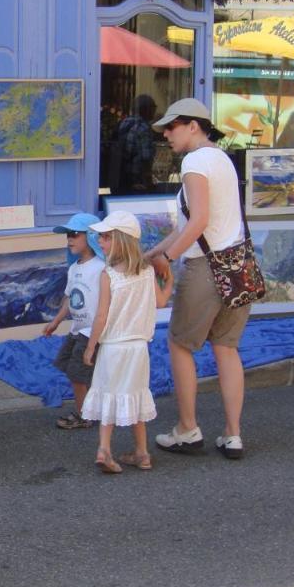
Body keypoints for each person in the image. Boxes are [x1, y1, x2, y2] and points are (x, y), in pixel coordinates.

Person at [144, 97, 251, 460]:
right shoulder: (222, 158)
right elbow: (195, 225)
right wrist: (153, 254)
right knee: (226, 348)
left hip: (205, 268)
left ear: (194, 125)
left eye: (172, 127)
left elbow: (199, 221)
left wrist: (167, 259)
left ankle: (187, 428)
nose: (166, 135)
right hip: (237, 265)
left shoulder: (194, 161)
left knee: (180, 344)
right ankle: (233, 434)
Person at [79, 210, 168, 473]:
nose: (101, 242)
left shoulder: (108, 275)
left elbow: (101, 316)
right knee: (135, 397)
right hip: (139, 348)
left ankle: (104, 449)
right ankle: (142, 453)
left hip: (113, 348)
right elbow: (161, 302)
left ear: (119, 240)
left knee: (109, 396)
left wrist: (90, 345)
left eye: (105, 237)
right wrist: (170, 281)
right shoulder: (147, 272)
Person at [43, 212, 106, 430]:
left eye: (75, 234)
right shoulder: (74, 268)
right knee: (72, 369)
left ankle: (84, 414)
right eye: (68, 234)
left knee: (78, 374)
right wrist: (56, 321)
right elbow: (69, 298)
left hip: (91, 331)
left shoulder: (101, 268)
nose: (70, 239)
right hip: (77, 329)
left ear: (90, 236)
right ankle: (89, 408)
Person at [112, 95, 158, 193]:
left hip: (121, 175)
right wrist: (148, 181)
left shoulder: (124, 123)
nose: (154, 111)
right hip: (137, 178)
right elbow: (146, 157)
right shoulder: (143, 128)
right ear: (145, 109)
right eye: (153, 108)